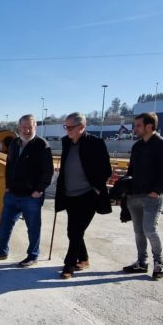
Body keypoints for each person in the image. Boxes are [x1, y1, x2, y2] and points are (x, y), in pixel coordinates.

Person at [0, 114, 54, 267]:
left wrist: (39, 190)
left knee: (33, 227)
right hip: (12, 194)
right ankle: (2, 251)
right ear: (19, 127)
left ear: (35, 127)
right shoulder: (15, 143)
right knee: (4, 224)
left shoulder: (42, 145)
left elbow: (48, 171)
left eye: (30, 127)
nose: (26, 130)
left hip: (31, 196)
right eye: (24, 127)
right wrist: (8, 186)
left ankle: (33, 255)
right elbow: (9, 166)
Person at [55, 112, 112, 279]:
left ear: (81, 127)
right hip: (69, 195)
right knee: (73, 231)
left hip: (88, 195)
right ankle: (84, 259)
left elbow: (106, 170)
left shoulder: (96, 143)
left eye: (70, 127)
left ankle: (69, 264)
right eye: (65, 127)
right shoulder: (66, 142)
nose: (67, 130)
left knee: (76, 231)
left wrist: (96, 188)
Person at [122, 112, 163, 280]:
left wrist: (156, 191)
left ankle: (159, 262)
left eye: (138, 125)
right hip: (135, 195)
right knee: (138, 231)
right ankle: (141, 262)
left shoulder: (162, 145)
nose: (135, 128)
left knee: (149, 229)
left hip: (152, 197)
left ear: (149, 126)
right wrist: (125, 187)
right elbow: (131, 170)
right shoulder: (137, 147)